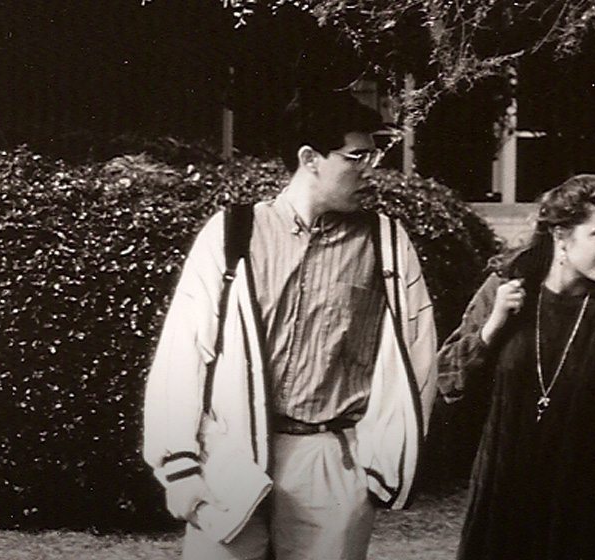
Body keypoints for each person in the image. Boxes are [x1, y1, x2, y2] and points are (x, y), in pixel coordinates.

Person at [142, 89, 438, 560]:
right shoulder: (232, 232)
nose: (371, 169)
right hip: (230, 455)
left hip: (333, 460)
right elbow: (183, 351)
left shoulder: (386, 242)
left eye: (374, 155)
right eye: (357, 156)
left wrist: (376, 465)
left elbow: (417, 351)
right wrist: (179, 464)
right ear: (310, 158)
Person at [437, 174, 595, 560]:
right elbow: (448, 380)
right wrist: (492, 328)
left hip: (583, 508)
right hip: (503, 496)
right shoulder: (504, 290)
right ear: (561, 234)